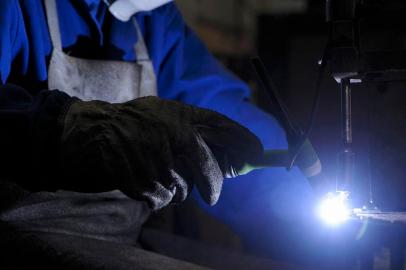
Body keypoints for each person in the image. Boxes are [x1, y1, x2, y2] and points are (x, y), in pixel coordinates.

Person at [0, 0, 316, 267]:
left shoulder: (153, 19)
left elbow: (226, 120)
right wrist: (79, 130)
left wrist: (304, 206)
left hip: (120, 242)